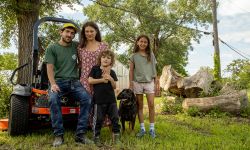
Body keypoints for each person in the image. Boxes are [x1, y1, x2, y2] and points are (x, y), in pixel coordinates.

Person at [44, 23, 93, 147]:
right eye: (67, 32)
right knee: (53, 99)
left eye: (72, 33)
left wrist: (104, 45)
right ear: (61, 32)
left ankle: (80, 134)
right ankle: (58, 135)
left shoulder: (76, 46)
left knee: (87, 99)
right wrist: (53, 84)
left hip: (74, 82)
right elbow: (49, 68)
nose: (69, 35)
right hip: (58, 82)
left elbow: (91, 45)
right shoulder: (52, 48)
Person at [78, 21, 111, 128]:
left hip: (100, 79)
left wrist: (107, 77)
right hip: (85, 80)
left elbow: (109, 63)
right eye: (86, 31)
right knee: (87, 103)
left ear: (96, 31)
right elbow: (80, 64)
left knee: (101, 103)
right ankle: (87, 126)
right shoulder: (80, 47)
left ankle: (101, 125)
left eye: (91, 31)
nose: (89, 33)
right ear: (84, 33)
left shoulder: (103, 46)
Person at [88, 50, 121, 146]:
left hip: (111, 100)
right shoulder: (95, 69)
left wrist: (110, 79)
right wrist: (102, 80)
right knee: (98, 119)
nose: (106, 59)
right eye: (103, 57)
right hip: (99, 100)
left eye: (108, 58)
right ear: (100, 59)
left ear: (111, 61)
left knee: (115, 118)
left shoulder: (112, 72)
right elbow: (90, 81)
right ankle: (96, 137)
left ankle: (116, 137)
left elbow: (114, 86)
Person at [129, 35, 157, 138]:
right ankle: (142, 129)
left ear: (147, 44)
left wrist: (156, 81)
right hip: (137, 83)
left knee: (151, 105)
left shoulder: (151, 55)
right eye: (141, 41)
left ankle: (152, 129)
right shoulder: (133, 56)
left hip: (149, 82)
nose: (143, 43)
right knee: (139, 106)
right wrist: (131, 83)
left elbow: (154, 69)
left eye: (145, 42)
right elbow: (131, 70)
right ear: (137, 42)